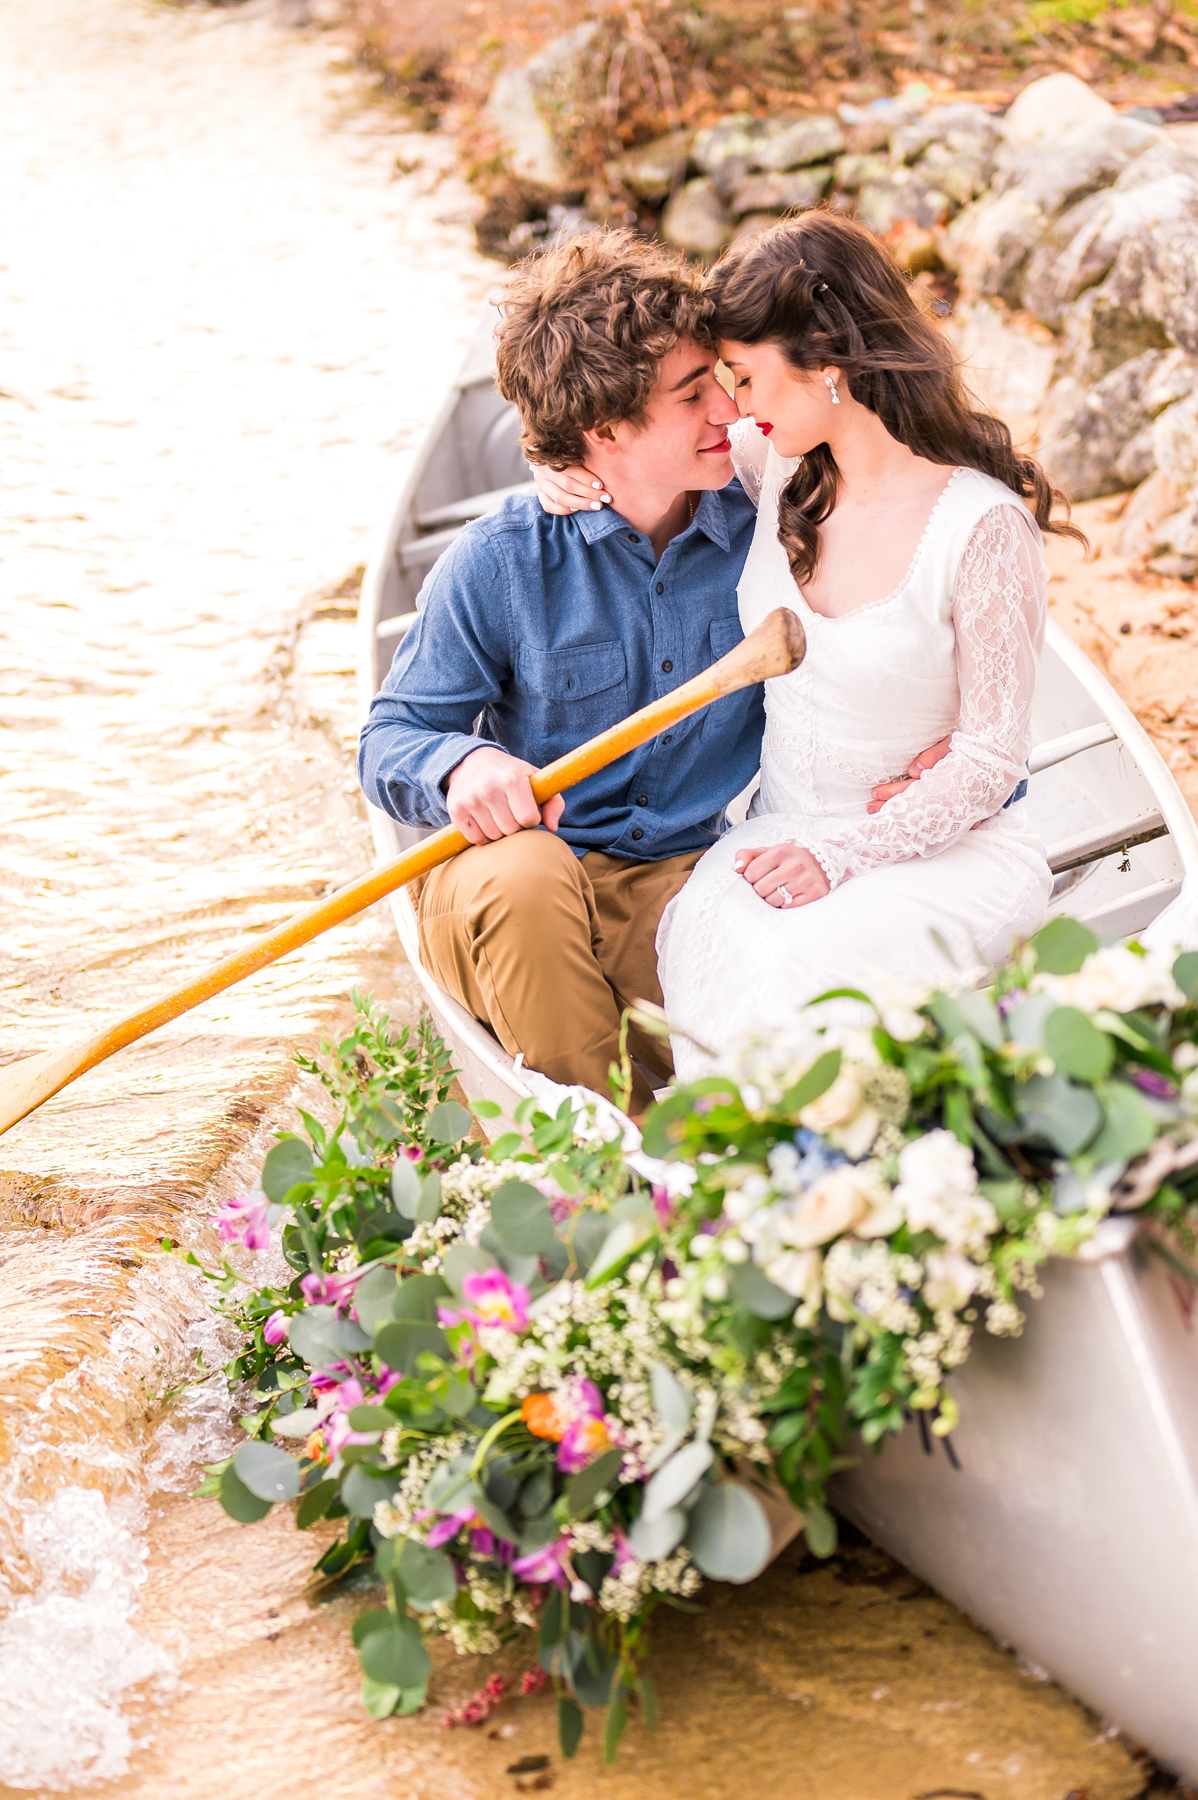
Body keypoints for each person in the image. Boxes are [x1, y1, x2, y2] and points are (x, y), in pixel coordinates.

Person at [358, 229, 956, 1111]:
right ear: (601, 432)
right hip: (514, 887)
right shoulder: (500, 562)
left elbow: (892, 631)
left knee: (788, 1026)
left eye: (720, 376)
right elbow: (388, 740)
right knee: (527, 880)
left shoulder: (774, 528)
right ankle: (620, 1178)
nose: (729, 408)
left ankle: (660, 1127)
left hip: (682, 882)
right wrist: (461, 764)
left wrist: (938, 745)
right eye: (692, 395)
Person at [535, 213, 1076, 1079]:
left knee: (804, 977)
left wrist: (841, 854)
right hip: (777, 836)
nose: (729, 408)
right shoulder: (775, 465)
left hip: (932, 856)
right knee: (733, 947)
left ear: (828, 366)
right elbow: (639, 445)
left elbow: (988, 756)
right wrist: (556, 463)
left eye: (744, 377)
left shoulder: (980, 527)